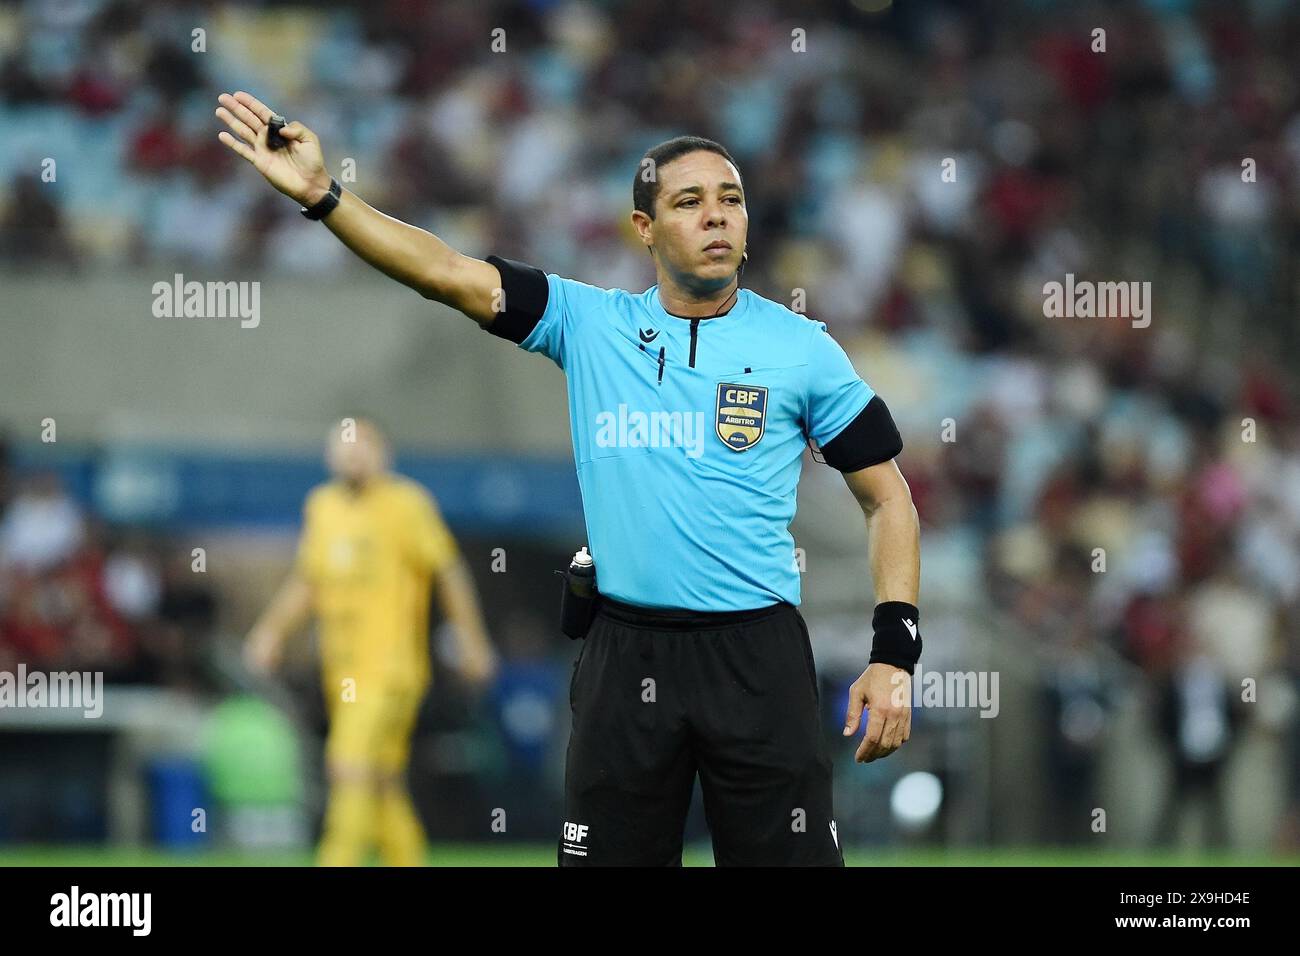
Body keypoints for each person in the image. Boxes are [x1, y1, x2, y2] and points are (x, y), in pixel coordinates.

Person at [217, 91, 921, 866]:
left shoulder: (803, 349)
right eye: (690, 201)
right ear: (644, 230)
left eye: (731, 200)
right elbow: (447, 273)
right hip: (625, 657)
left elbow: (887, 497)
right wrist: (325, 197)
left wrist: (894, 652)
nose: (718, 216)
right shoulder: (588, 325)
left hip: (757, 660)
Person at [244, 416, 496, 866]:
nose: (352, 453)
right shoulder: (322, 507)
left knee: (347, 765)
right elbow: (308, 582)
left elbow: (448, 572)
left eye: (361, 444)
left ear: (383, 454)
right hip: (342, 672)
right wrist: (270, 632)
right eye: (343, 444)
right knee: (381, 780)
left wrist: (473, 642)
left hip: (391, 670)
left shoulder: (406, 504)